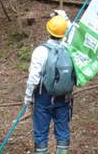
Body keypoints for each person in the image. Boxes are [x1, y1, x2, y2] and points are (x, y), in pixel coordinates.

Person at [24, 16, 72, 154]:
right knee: (62, 132)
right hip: (63, 97)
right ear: (63, 34)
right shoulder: (68, 50)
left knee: (41, 133)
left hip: (43, 97)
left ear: (48, 31)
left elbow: (33, 78)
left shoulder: (40, 51)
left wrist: (28, 98)